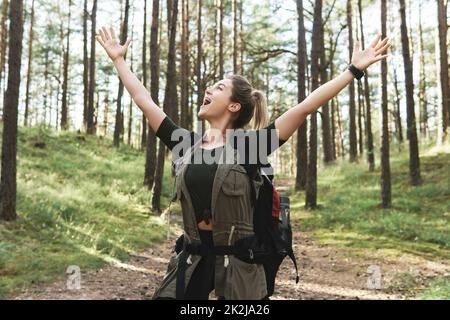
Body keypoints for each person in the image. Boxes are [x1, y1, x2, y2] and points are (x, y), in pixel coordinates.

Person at [96, 26, 391, 300]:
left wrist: (352, 71)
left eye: (218, 87)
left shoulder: (251, 147)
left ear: (234, 106)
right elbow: (143, 99)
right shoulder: (185, 143)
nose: (208, 90)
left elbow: (304, 108)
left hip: (240, 264)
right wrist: (120, 61)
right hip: (192, 258)